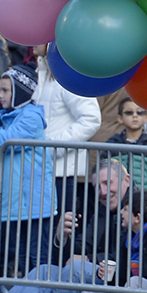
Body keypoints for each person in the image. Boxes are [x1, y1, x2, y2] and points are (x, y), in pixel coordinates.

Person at [0, 159, 131, 293]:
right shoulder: (100, 209)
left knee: (76, 270)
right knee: (45, 270)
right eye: (97, 186)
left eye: (107, 183)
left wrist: (90, 259)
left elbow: (132, 255)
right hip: (92, 281)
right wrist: (61, 237)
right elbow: (75, 253)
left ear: (126, 180)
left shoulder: (140, 205)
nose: (102, 192)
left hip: (123, 284)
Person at [0, 64, 55, 274]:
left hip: (33, 202)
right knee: (18, 254)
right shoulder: (3, 116)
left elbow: (7, 140)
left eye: (6, 90)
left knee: (36, 257)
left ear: (20, 92)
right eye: (0, 89)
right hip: (12, 202)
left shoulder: (31, 117)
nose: (0, 95)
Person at [32, 45, 101, 217]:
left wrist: (53, 147)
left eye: (40, 37)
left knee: (62, 231)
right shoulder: (37, 74)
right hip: (40, 170)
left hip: (63, 174)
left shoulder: (68, 77)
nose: (33, 41)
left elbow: (91, 119)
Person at [105, 97, 147, 193]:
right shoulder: (113, 143)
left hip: (146, 199)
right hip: (118, 198)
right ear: (119, 118)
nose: (134, 116)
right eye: (129, 112)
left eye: (140, 112)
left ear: (146, 117)